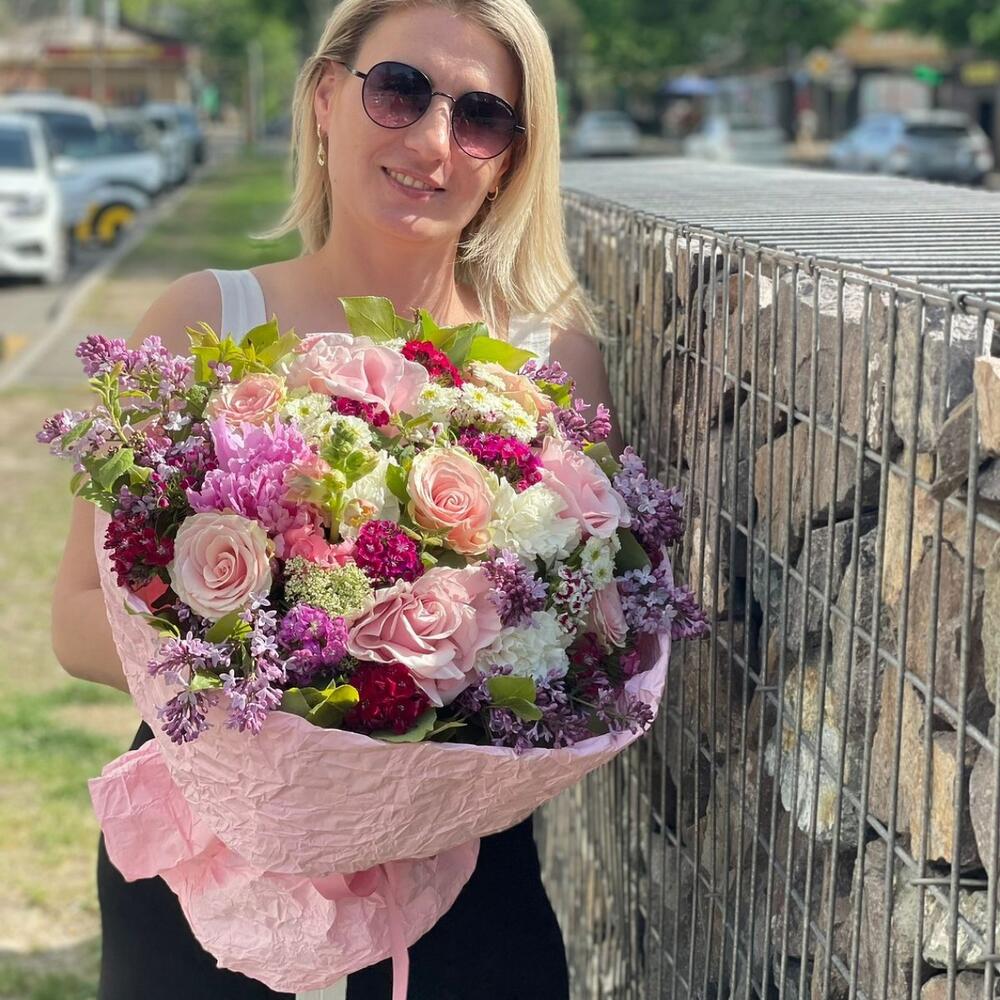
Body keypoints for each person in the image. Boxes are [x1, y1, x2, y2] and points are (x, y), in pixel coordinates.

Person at [51, 1, 621, 997]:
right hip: (211, 867)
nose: (433, 141)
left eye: (481, 116)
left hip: (461, 883)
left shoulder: (551, 361)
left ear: (512, 159)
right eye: (400, 91)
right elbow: (75, 621)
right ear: (324, 99)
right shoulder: (200, 320)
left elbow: (594, 638)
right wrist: (301, 686)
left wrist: (429, 693)